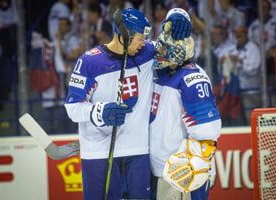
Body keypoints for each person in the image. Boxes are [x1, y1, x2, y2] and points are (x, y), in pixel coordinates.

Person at [64, 7, 191, 200]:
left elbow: (178, 50)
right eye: (140, 37)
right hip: (99, 151)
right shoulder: (89, 62)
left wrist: (177, 17)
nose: (144, 43)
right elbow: (72, 107)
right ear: (123, 34)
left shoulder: (148, 53)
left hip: (138, 148)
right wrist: (99, 112)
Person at [150, 10, 221, 200]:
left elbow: (206, 133)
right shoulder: (161, 72)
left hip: (181, 174)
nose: (159, 51)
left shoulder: (192, 78)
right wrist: (174, 17)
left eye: (164, 48)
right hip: (161, 171)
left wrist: (191, 170)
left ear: (178, 52)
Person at [226, 25, 261, 125]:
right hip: (234, 91)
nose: (238, 36)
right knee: (237, 118)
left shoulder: (253, 49)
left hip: (250, 90)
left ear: (246, 34)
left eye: (241, 33)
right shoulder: (231, 49)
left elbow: (254, 69)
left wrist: (240, 61)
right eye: (236, 34)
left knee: (250, 117)